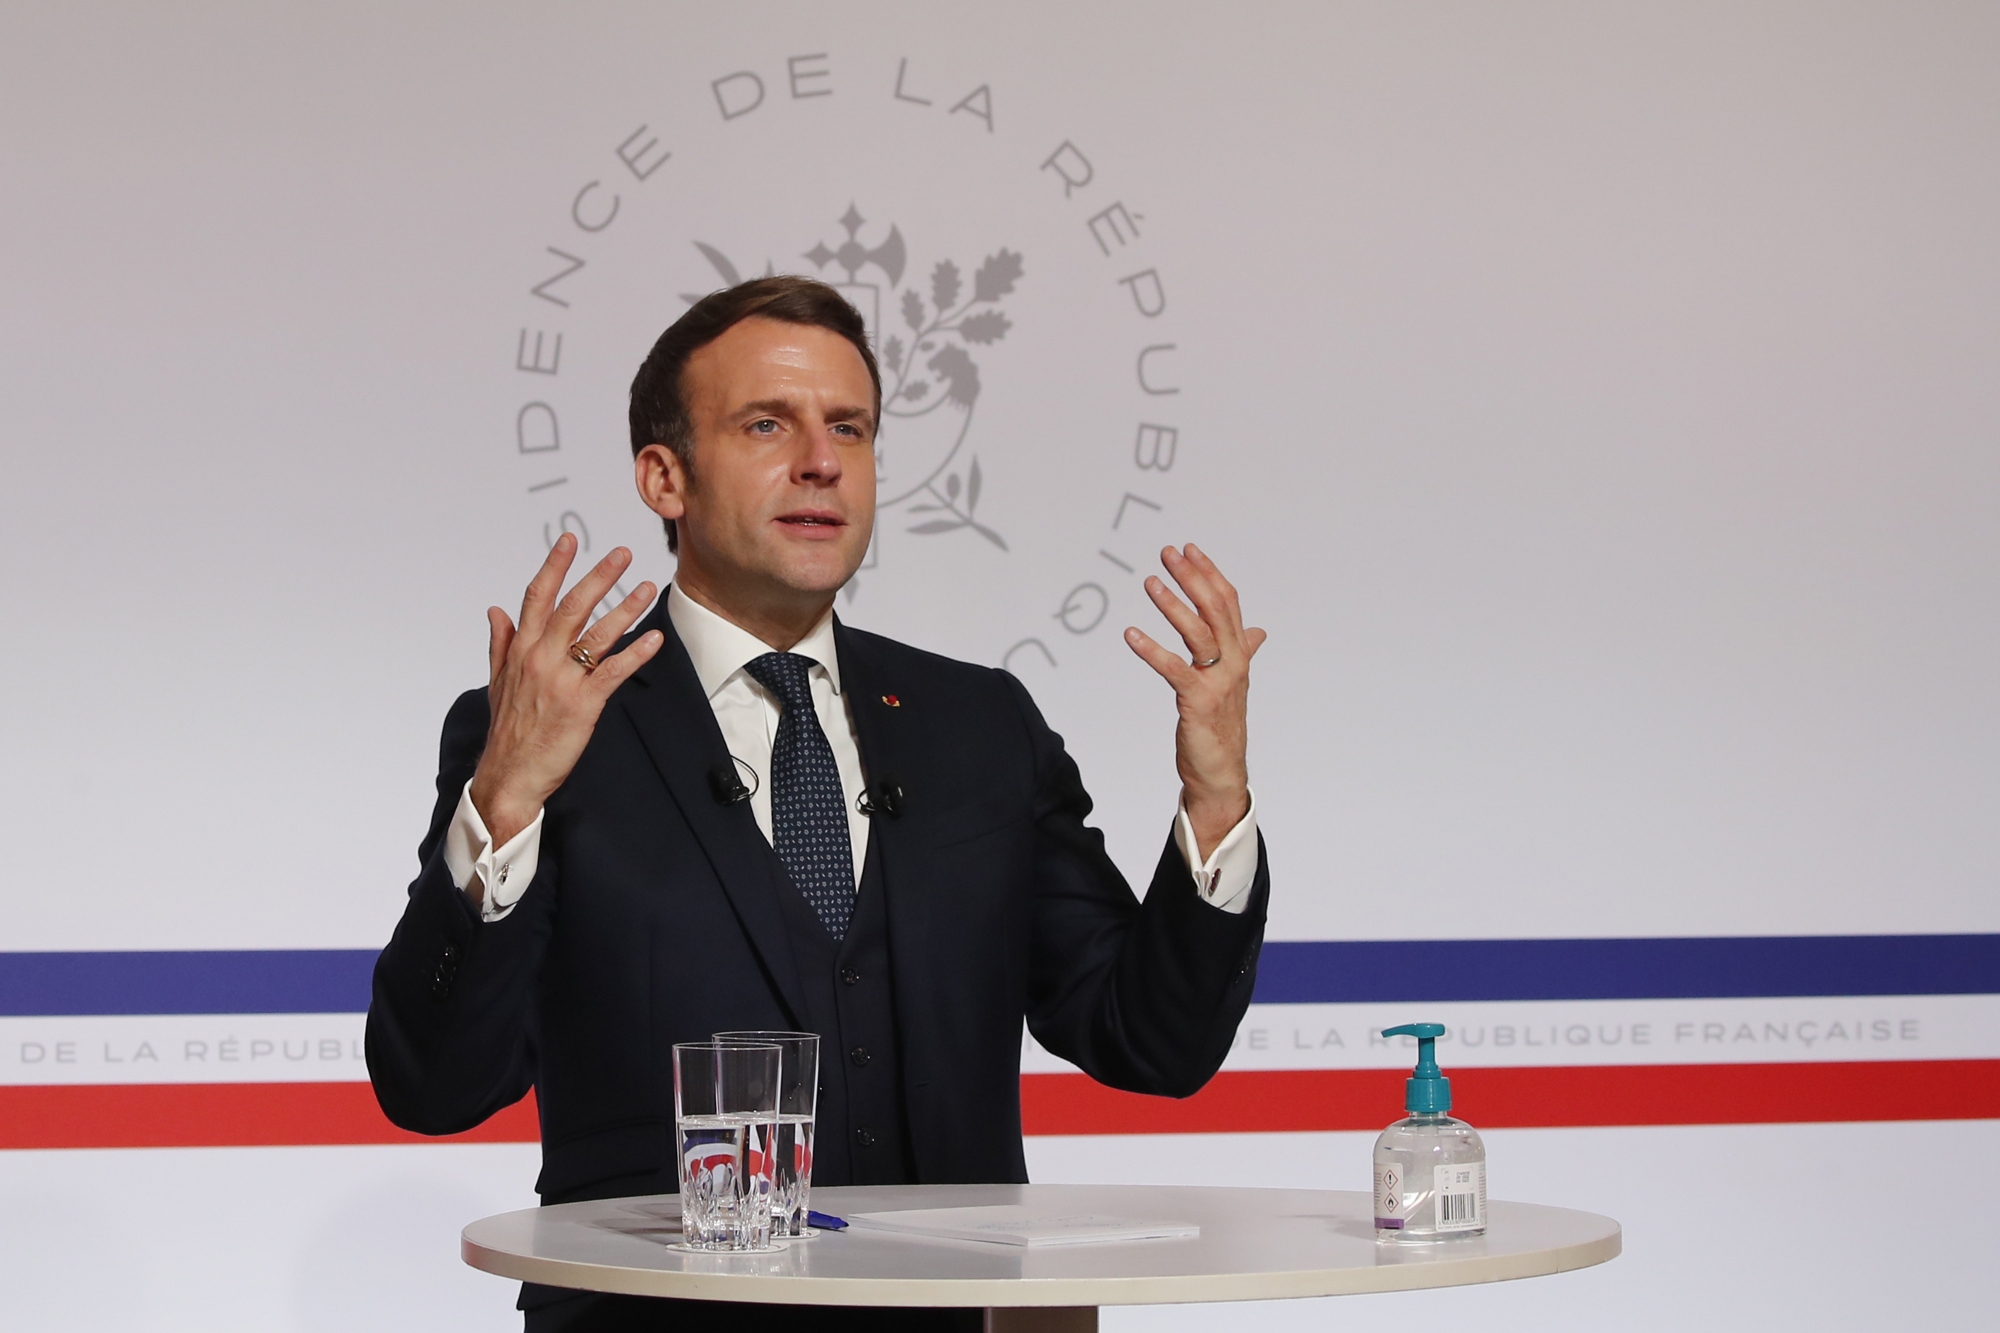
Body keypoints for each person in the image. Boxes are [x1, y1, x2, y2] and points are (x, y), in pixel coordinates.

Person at [367, 277, 1271, 1331]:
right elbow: (432, 1086)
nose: (821, 461)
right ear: (665, 476)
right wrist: (507, 797)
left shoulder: (980, 724)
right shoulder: (540, 733)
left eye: (850, 426)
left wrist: (1214, 801)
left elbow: (1148, 1040)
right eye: (767, 423)